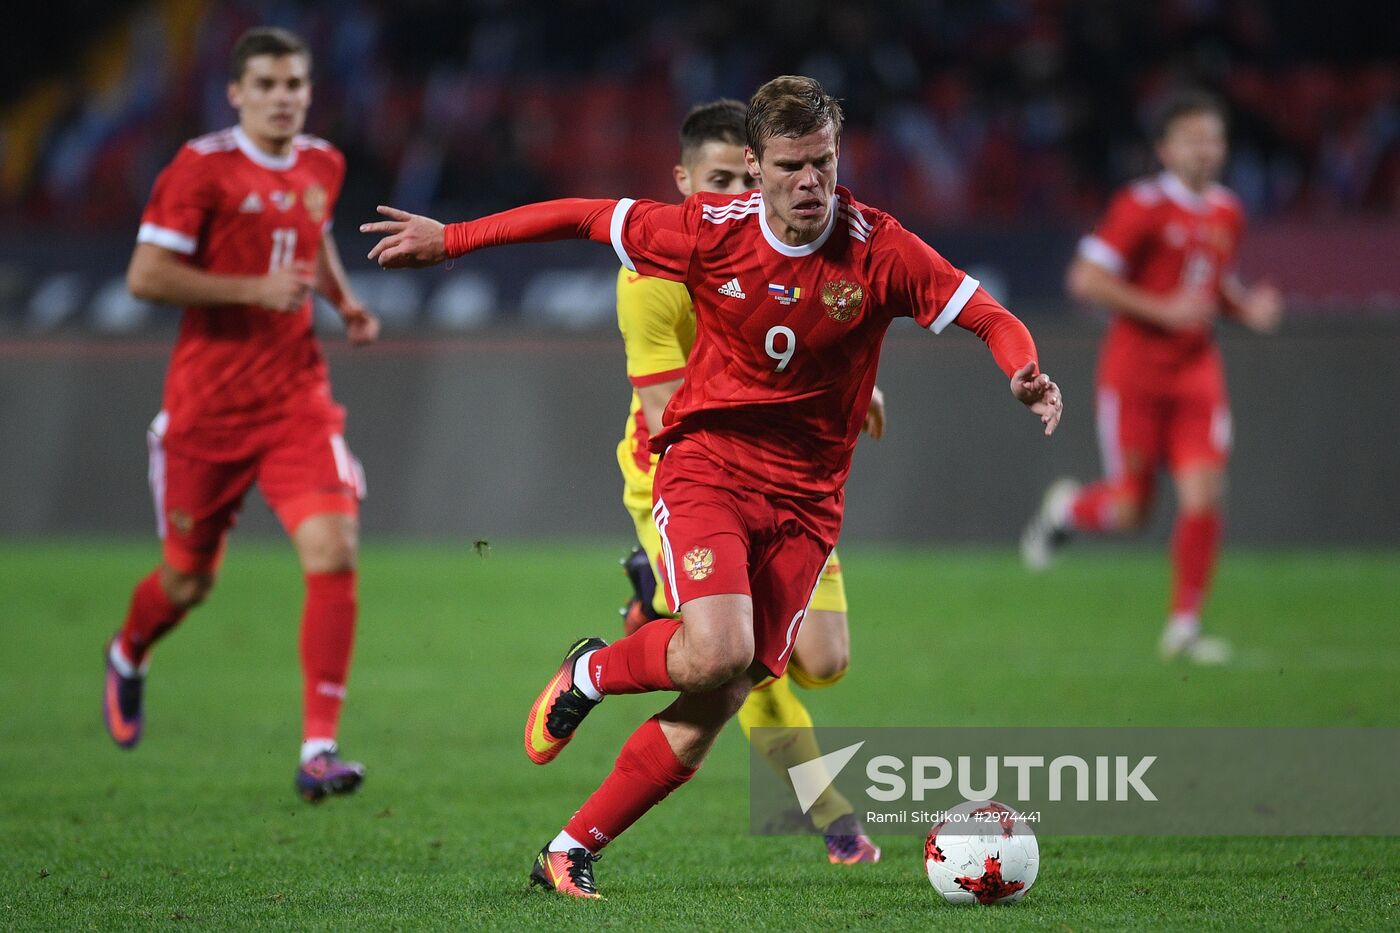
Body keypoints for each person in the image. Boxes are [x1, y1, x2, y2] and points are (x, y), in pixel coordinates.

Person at [362, 75, 1062, 898]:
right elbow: (580, 215)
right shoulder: (706, 232)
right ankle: (590, 676)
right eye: (793, 165)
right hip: (709, 466)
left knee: (718, 693)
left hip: (806, 504)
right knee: (721, 652)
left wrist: (1023, 370)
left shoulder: (880, 248)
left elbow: (987, 313)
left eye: (825, 164)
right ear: (756, 166)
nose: (812, 183)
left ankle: (568, 847)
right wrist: (452, 240)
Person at [103, 27, 380, 803]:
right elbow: (145, 275)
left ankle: (318, 748)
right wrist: (250, 291)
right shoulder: (201, 169)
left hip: (297, 399)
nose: (283, 97)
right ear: (236, 93)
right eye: (266, 84)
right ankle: (128, 651)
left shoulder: (323, 161)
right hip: (208, 412)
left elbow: (313, 232)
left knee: (333, 549)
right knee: (187, 583)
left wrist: (344, 300)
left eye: (294, 84)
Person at [614, 98, 883, 865]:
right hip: (685, 470)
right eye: (717, 179)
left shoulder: (784, 250)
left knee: (825, 660)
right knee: (738, 655)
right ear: (682, 178)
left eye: (745, 178)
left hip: (789, 482)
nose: (734, 194)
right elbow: (674, 414)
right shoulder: (654, 271)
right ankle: (828, 811)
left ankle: (653, 607)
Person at [1020, 90, 1280, 664]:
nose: (1205, 151)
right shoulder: (1140, 206)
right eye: (1191, 139)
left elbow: (1211, 285)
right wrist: (1163, 310)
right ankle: (1065, 511)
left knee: (1204, 491)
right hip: (1135, 374)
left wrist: (1245, 307)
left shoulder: (1227, 211)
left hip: (1196, 374)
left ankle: (1184, 626)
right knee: (1134, 511)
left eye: (1213, 138)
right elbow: (1085, 279)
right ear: (1164, 149)